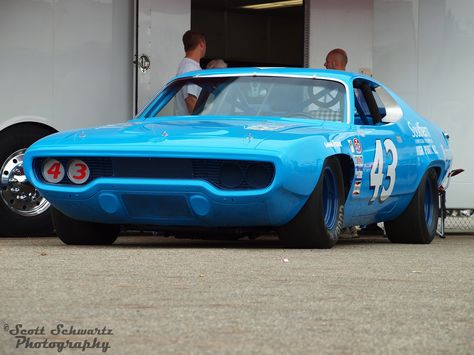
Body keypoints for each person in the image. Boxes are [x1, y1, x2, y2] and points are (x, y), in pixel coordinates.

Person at [174, 30, 207, 115]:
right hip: (189, 125)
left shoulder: (187, 65)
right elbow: (191, 100)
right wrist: (201, 123)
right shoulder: (190, 68)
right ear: (201, 44)